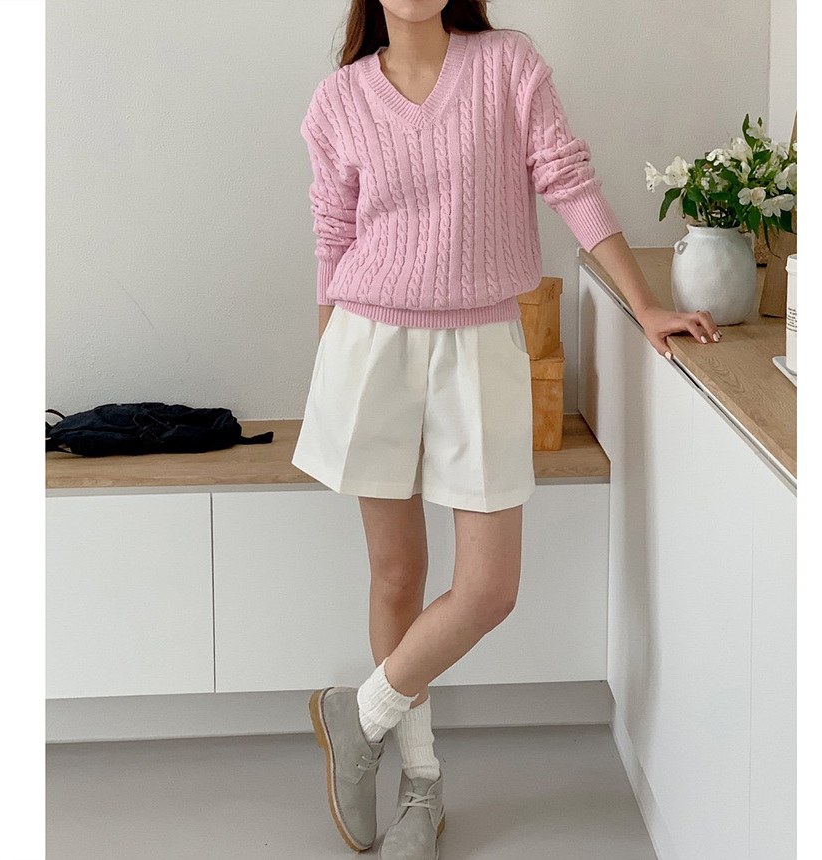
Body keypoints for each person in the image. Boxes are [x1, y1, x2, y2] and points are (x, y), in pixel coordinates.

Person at [292, 2, 721, 856]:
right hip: (367, 346)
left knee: (489, 587)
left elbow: (568, 181)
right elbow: (332, 239)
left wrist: (645, 305)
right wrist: (328, 370)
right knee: (397, 574)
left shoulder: (507, 66)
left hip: (482, 342)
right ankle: (421, 786)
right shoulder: (338, 99)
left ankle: (358, 714)